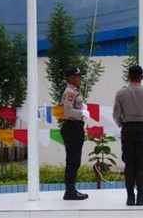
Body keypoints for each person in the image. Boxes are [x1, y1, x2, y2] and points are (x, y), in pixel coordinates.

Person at [113, 65, 143, 206]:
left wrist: (122, 124)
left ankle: (130, 197)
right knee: (140, 164)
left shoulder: (121, 93)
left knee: (129, 163)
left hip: (127, 129)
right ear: (142, 77)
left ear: (128, 77)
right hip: (142, 129)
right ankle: (141, 197)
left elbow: (116, 114)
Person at [61, 67, 91, 200]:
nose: (80, 79)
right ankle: (69, 191)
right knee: (72, 160)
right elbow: (68, 112)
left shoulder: (75, 91)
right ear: (71, 78)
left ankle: (72, 189)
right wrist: (82, 113)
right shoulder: (69, 92)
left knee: (75, 159)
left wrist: (82, 108)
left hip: (76, 127)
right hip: (72, 127)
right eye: (78, 77)